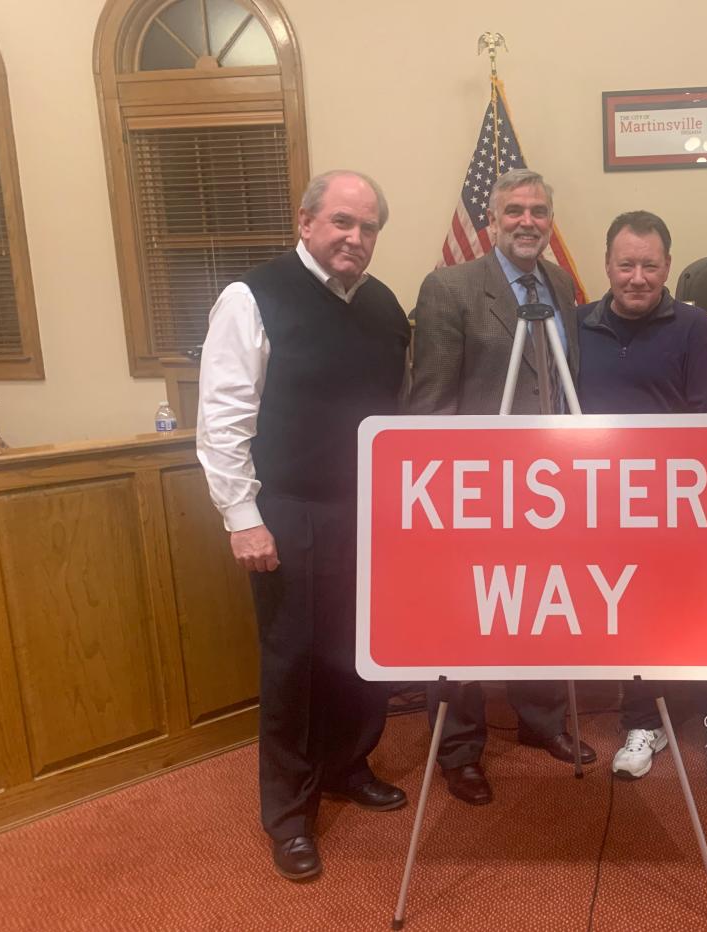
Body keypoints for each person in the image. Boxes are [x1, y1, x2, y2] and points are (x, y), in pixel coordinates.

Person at [196, 170, 411, 881]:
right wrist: (242, 517)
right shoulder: (251, 297)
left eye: (369, 227)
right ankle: (288, 814)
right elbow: (224, 417)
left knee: (362, 653)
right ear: (307, 221)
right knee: (293, 665)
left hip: (370, 511)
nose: (356, 238)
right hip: (286, 510)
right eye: (343, 222)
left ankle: (349, 766)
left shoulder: (383, 307)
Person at [409, 168, 596, 806]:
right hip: (474, 490)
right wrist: (437, 498)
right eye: (514, 210)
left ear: (550, 222)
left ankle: (541, 720)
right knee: (466, 619)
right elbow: (430, 404)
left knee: (540, 606)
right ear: (491, 220)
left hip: (550, 491)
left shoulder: (563, 284)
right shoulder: (450, 288)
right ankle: (459, 750)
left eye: (539, 212)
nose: (527, 221)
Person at [577, 210, 707, 784]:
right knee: (633, 614)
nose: (637, 277)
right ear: (607, 264)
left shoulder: (697, 329)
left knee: (702, 612)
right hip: (603, 507)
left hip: (682, 506)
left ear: (668, 266)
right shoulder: (575, 327)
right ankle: (641, 721)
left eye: (650, 265)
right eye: (625, 264)